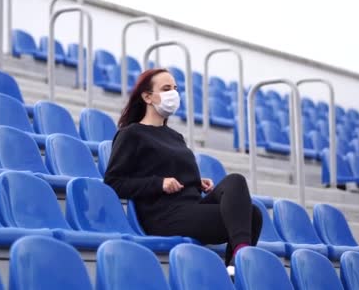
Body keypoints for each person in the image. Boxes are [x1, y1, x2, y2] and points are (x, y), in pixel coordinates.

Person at [104, 68, 262, 266]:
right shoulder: (131, 134)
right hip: (164, 215)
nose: (173, 93)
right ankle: (243, 263)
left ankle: (234, 268)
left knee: (247, 203)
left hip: (191, 207)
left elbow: (174, 171)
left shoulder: (175, 136)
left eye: (175, 88)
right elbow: (113, 182)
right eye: (166, 88)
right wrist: (159, 183)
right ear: (147, 97)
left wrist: (196, 182)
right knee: (247, 217)